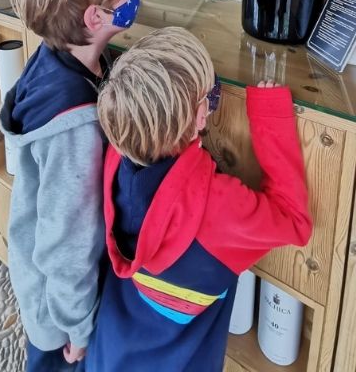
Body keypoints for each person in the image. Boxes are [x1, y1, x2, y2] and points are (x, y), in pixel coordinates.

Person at [86, 27, 312, 372]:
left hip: (110, 352)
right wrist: (269, 116)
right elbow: (295, 221)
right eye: (208, 98)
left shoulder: (115, 161)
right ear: (200, 117)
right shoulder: (218, 208)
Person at [0, 0, 136, 370]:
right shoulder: (74, 121)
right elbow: (68, 237)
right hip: (58, 308)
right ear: (95, 18)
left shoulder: (63, 57)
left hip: (53, 283)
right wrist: (76, 329)